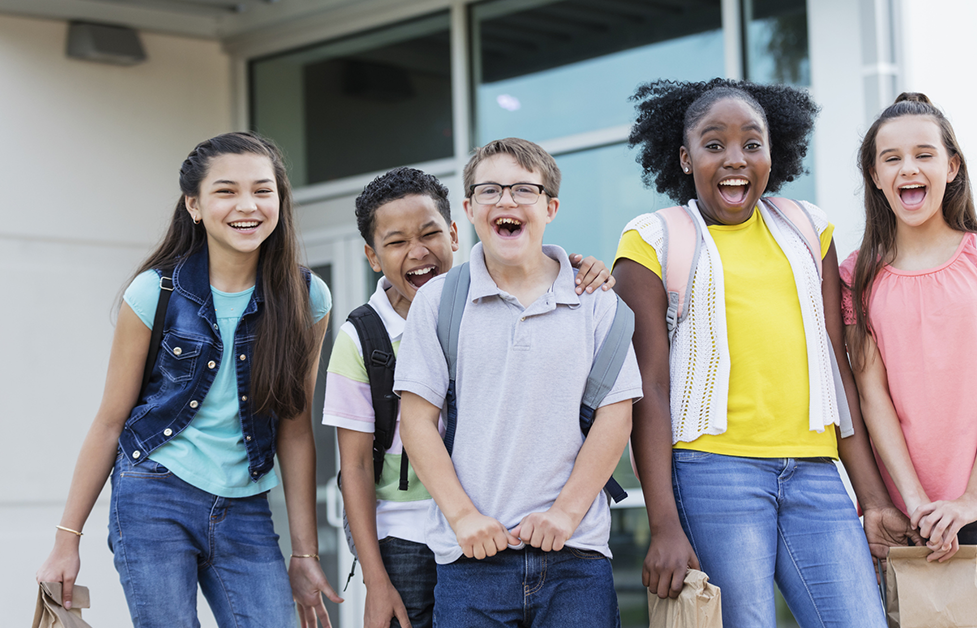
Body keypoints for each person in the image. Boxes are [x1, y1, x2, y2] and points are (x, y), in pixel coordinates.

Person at [614, 77, 913, 627]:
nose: (735, 160)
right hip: (712, 472)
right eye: (713, 144)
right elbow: (647, 389)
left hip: (816, 473)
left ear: (773, 154)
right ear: (684, 157)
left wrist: (872, 499)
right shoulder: (653, 239)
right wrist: (663, 523)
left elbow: (835, 366)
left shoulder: (807, 228)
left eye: (752, 144)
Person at [35, 132, 343, 628]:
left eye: (263, 191)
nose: (248, 205)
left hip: (245, 505)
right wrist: (66, 540)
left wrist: (305, 555)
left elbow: (296, 428)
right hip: (153, 493)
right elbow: (111, 422)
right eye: (227, 191)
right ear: (194, 206)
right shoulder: (155, 292)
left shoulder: (306, 297)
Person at [323, 166, 616, 628]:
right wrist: (375, 580)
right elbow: (355, 467)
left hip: (493, 529)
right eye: (397, 242)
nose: (418, 252)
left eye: (430, 234)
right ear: (372, 256)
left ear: (455, 233)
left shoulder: (477, 303)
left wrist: (577, 269)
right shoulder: (363, 336)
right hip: (408, 535)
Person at [394, 138, 641, 627]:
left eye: (523, 190)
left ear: (549, 207)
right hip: (471, 563)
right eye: (489, 190)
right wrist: (463, 517)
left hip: (577, 560)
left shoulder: (595, 301)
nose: (506, 201)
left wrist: (566, 515)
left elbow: (616, 416)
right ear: (468, 209)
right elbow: (417, 420)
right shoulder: (440, 300)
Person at [840, 92, 977, 627]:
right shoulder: (856, 274)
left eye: (924, 154)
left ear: (952, 167)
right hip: (912, 515)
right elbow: (872, 396)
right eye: (892, 158)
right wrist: (914, 502)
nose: (909, 168)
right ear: (874, 174)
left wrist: (972, 499)